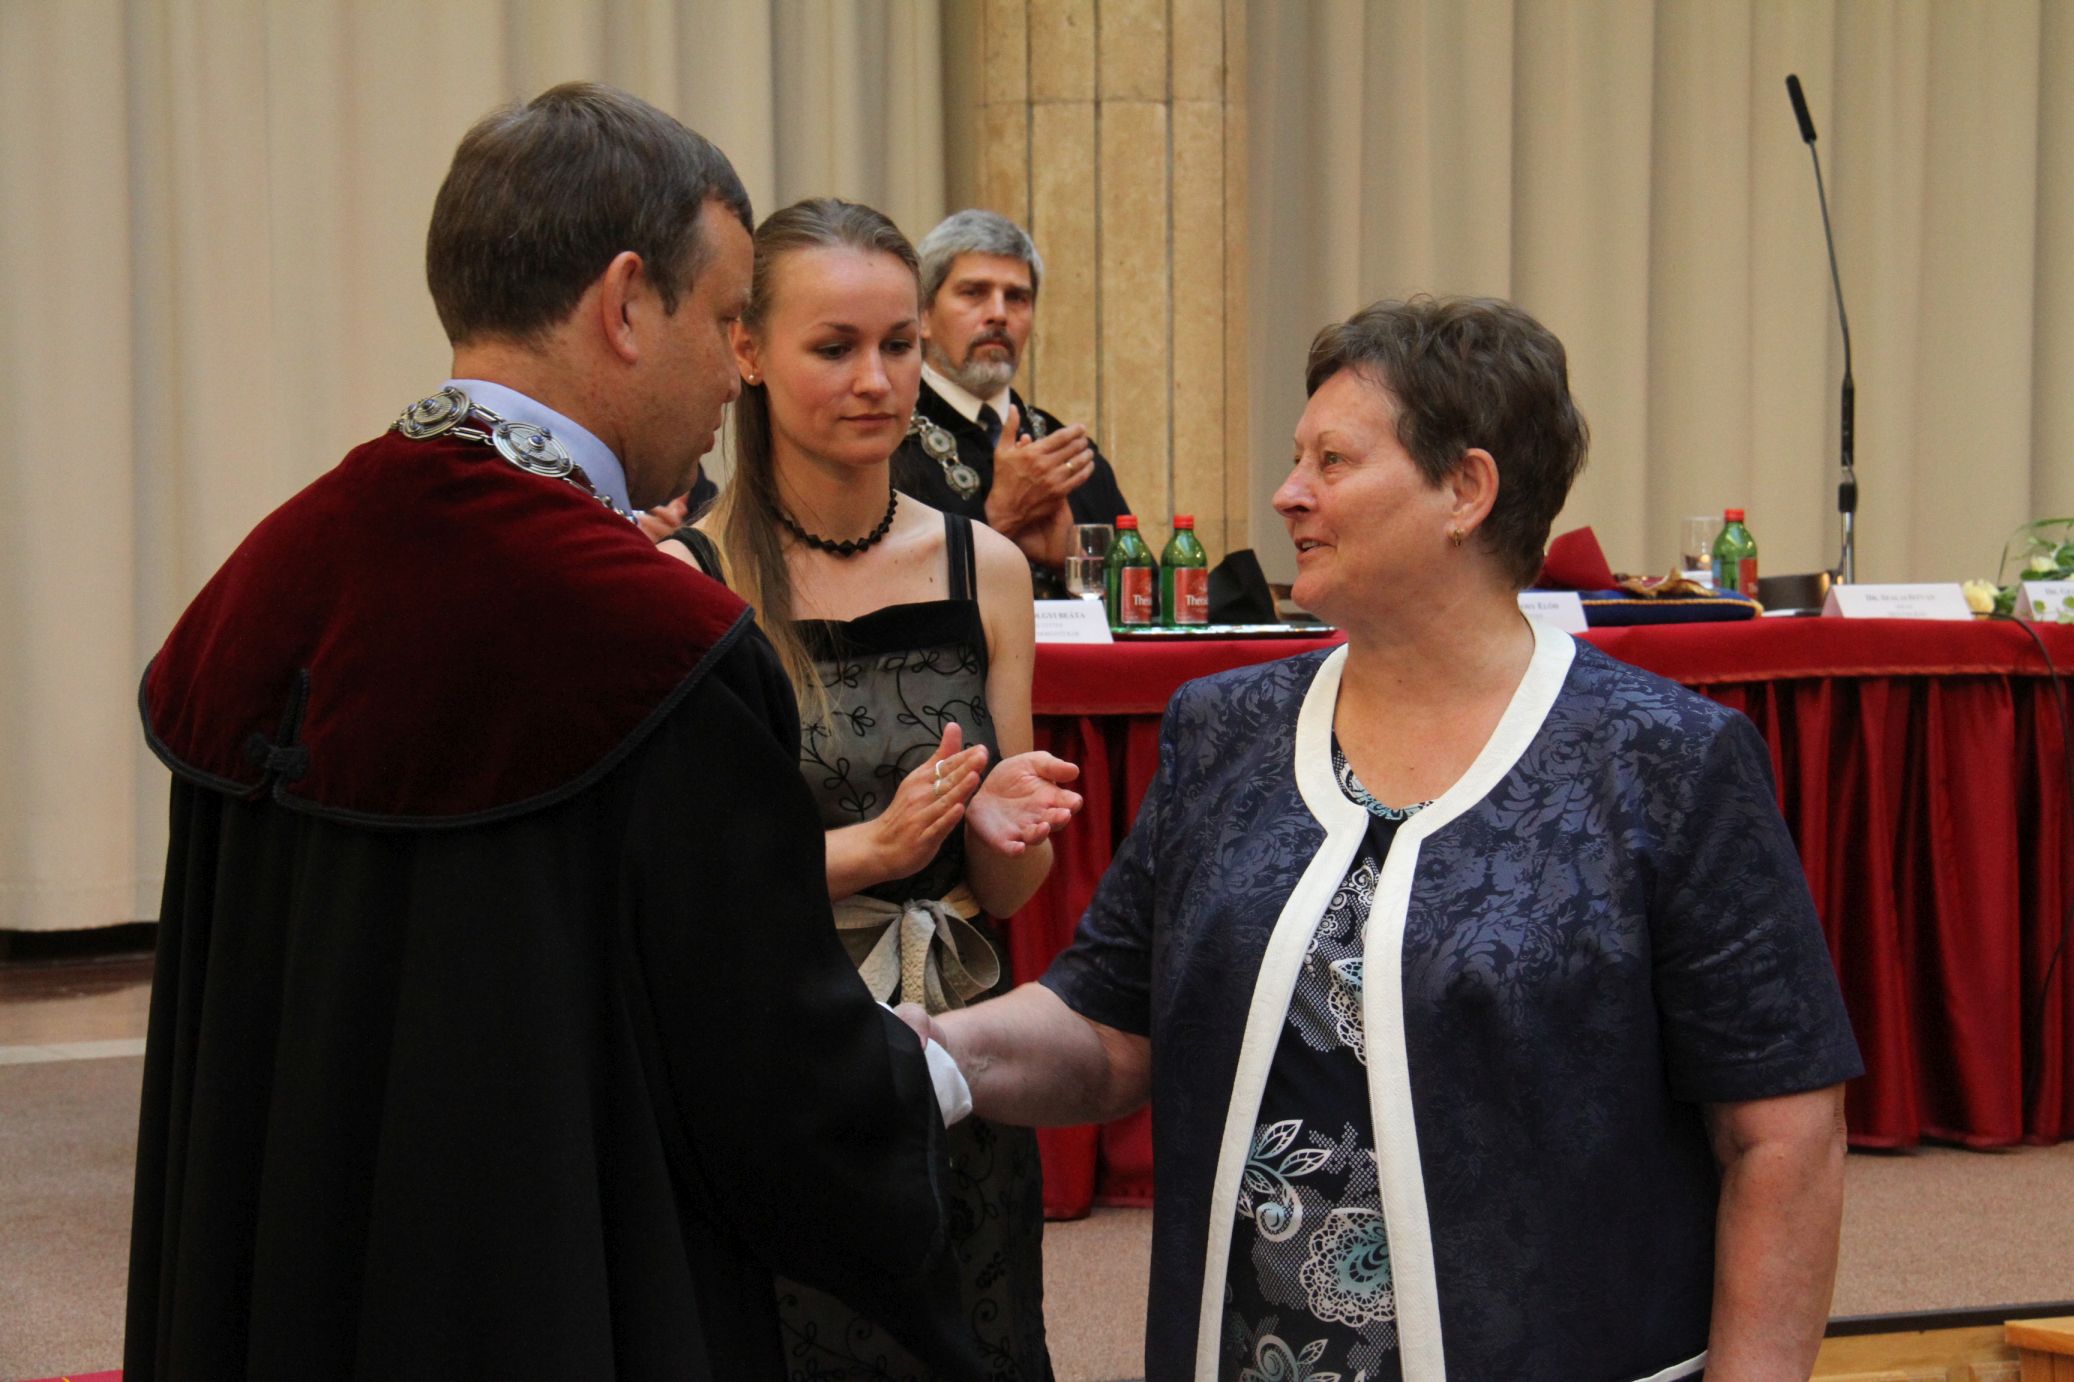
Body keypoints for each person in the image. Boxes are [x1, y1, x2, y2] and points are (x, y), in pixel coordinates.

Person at [127, 84, 982, 1379]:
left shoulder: (268, 578)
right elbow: (763, 1081)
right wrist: (932, 1075)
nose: (732, 368)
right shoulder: (649, 641)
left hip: (286, 1290)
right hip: (544, 1289)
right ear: (625, 303)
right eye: (724, 317)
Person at [912, 297, 1864, 1381]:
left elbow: (1782, 1134)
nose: (1287, 492)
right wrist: (928, 1053)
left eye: (1331, 460)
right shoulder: (1226, 730)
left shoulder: (1665, 759)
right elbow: (1106, 1026)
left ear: (1466, 489)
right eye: (1296, 458)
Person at [660, 196, 1081, 1380]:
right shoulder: (688, 577)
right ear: (748, 352)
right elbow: (678, 886)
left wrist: (999, 826)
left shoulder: (983, 566)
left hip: (946, 1050)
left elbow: (1011, 889)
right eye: (834, 347)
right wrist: (871, 850)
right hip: (771, 1054)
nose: (876, 379)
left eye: (897, 344)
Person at [893, 209, 1130, 596]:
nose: (998, 314)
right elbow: (872, 597)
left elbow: (1150, 604)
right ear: (924, 316)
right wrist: (998, 518)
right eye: (974, 293)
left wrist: (1073, 564)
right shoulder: (886, 442)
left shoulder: (1070, 454)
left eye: (1017, 297)